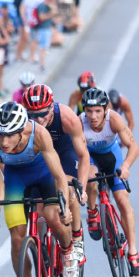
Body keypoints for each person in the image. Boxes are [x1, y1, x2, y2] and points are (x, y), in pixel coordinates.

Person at [0, 102, 79, 277]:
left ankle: (68, 249)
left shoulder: (39, 134)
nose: (4, 142)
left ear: (22, 130)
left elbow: (60, 176)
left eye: (10, 136)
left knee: (53, 217)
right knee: (17, 239)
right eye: (0, 134)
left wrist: (64, 207)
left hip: (45, 175)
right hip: (16, 179)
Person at [80, 88, 139, 276]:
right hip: (90, 157)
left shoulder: (114, 119)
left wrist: (125, 167)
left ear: (105, 110)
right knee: (91, 181)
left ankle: (132, 251)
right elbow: (74, 153)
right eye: (89, 111)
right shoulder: (79, 123)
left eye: (98, 111)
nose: (93, 116)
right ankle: (93, 213)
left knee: (123, 201)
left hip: (111, 156)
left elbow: (134, 147)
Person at [22, 84, 90, 261]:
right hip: (42, 155)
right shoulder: (22, 122)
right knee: (38, 204)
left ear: (52, 107)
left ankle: (76, 239)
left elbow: (83, 156)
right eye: (33, 115)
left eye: (43, 113)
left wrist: (81, 187)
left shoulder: (67, 117)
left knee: (69, 188)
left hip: (65, 151)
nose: (38, 119)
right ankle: (44, 251)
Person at [33, 0, 58, 72]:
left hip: (46, 29)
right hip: (43, 29)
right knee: (43, 48)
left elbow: (55, 12)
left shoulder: (47, 6)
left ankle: (43, 64)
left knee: (44, 48)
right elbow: (42, 17)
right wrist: (51, 14)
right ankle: (42, 65)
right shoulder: (43, 6)